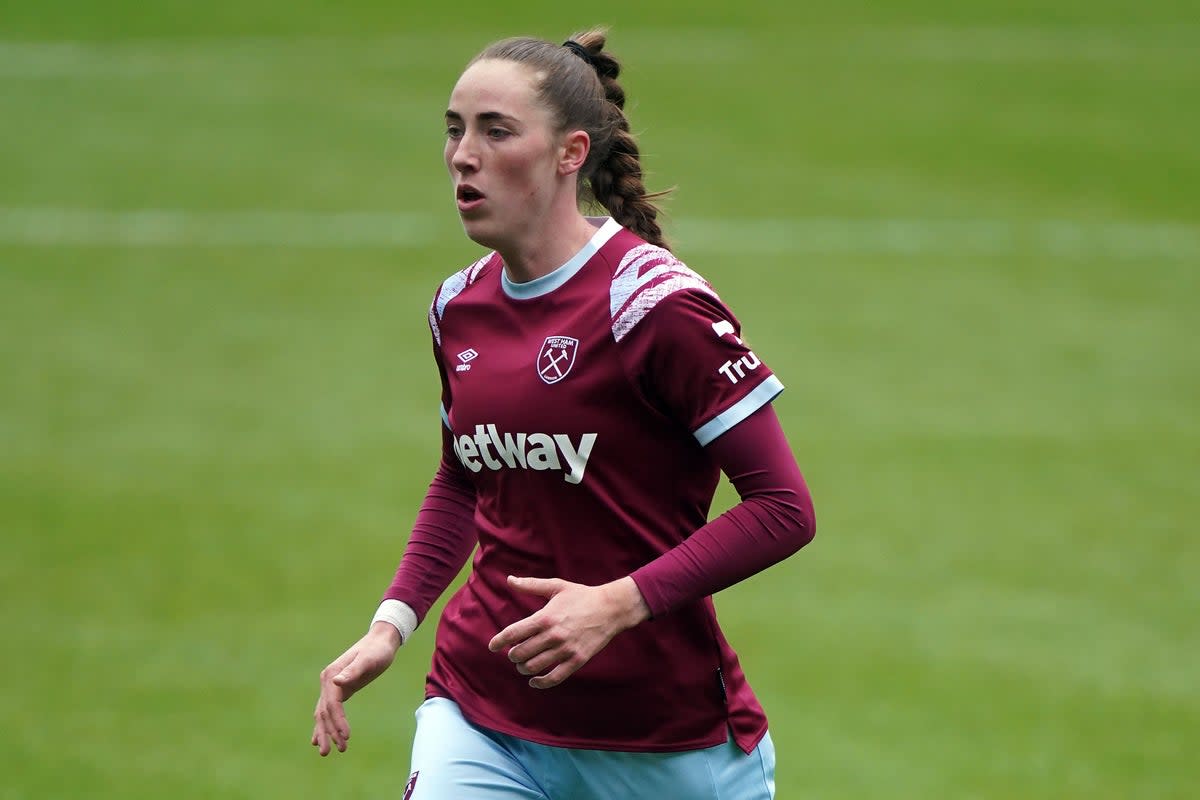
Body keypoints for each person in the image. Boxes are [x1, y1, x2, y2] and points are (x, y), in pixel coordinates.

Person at [311, 27, 816, 800]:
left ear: (570, 152)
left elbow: (784, 508)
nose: (462, 155)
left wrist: (618, 603)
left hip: (662, 744)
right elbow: (463, 481)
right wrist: (393, 624)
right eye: (454, 129)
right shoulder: (458, 306)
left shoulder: (654, 306)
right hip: (480, 712)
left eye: (495, 130)